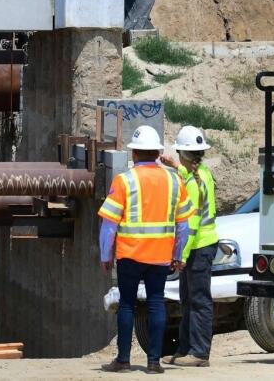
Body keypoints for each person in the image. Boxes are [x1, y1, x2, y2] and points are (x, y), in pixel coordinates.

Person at [98, 125, 195, 374]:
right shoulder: (174, 180)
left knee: (127, 305)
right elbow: (183, 226)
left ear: (135, 153)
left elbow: (109, 224)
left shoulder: (124, 180)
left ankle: (123, 360)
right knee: (155, 304)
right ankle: (154, 362)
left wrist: (105, 254)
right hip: (160, 255)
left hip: (130, 254)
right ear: (157, 153)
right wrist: (178, 255)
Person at [165, 126, 219, 368]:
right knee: (188, 300)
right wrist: (176, 167)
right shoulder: (201, 174)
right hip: (202, 246)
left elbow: (192, 224)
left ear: (180, 152)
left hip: (199, 247)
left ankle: (199, 353)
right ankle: (185, 350)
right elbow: (189, 174)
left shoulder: (193, 183)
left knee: (198, 301)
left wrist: (181, 255)